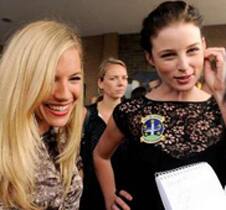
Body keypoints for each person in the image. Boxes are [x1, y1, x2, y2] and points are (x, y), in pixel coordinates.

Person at [93, 1, 226, 210]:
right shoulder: (131, 112)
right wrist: (110, 199)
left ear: (204, 46)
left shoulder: (220, 107)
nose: (184, 66)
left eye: (192, 50)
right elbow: (101, 155)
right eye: (169, 55)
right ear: (150, 58)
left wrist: (221, 93)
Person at [0, 20, 84, 210]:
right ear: (21, 80)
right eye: (49, 79)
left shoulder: (62, 134)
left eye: (74, 78)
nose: (64, 94)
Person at [80, 57, 128, 210]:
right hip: (90, 194)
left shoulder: (133, 115)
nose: (121, 83)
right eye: (114, 78)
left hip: (124, 193)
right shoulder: (85, 114)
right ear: (101, 82)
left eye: (124, 78)